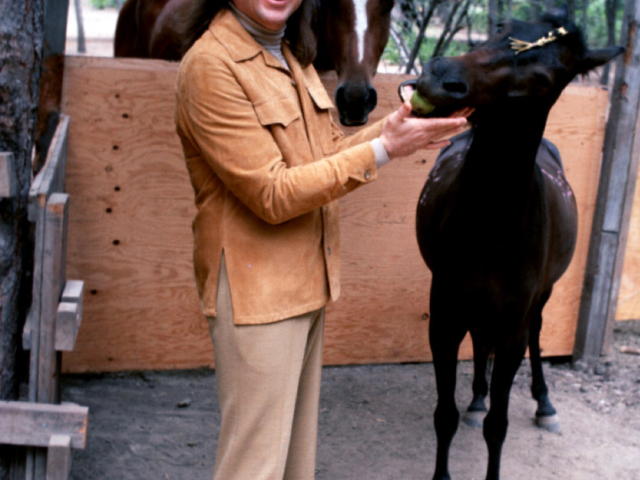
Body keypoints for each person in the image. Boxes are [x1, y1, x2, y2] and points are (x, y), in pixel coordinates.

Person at [174, 1, 472, 478]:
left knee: (294, 466)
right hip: (258, 297)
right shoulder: (211, 65)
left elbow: (324, 153)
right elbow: (271, 192)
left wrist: (390, 134)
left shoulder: (291, 55)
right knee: (253, 468)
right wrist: (383, 149)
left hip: (304, 283)